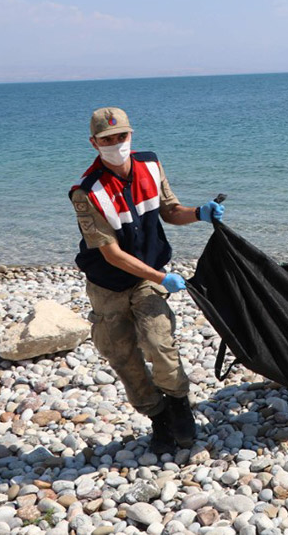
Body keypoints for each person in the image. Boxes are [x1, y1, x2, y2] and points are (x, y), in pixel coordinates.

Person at [70, 107, 225, 455]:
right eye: (107, 139)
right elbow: (110, 253)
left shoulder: (151, 166)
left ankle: (179, 406)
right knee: (120, 353)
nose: (116, 144)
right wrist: (163, 277)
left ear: (131, 135)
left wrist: (199, 213)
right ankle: (158, 418)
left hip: (148, 279)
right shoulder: (86, 192)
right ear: (94, 143)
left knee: (159, 343)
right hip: (107, 283)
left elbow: (170, 210)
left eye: (121, 136)